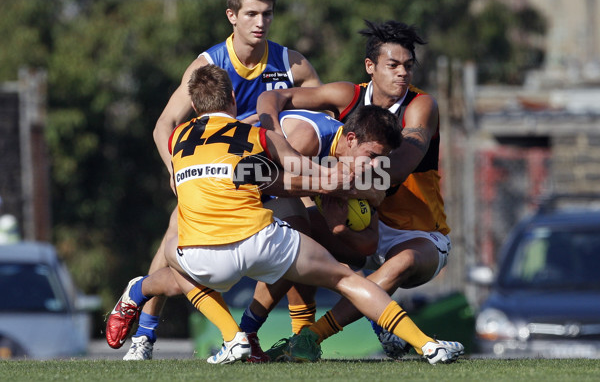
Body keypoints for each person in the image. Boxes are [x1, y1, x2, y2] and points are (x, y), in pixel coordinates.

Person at [107, 64, 464, 365]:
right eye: (371, 157)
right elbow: (278, 171)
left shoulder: (178, 138)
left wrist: (337, 202)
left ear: (197, 107)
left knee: (174, 251)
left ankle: (162, 302)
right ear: (233, 100)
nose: (373, 165)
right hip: (256, 235)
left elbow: (240, 175)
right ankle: (427, 345)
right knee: (338, 272)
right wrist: (329, 184)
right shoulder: (270, 133)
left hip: (203, 250)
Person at [107, 0, 321, 360]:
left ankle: (282, 335)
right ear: (232, 16)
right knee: (173, 239)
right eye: (252, 13)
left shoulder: (293, 64)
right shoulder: (210, 63)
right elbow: (163, 124)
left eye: (267, 14)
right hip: (217, 176)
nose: (261, 22)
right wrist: (175, 170)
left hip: (264, 174)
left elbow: (320, 122)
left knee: (309, 228)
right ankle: (144, 335)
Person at [254, 19, 455, 361]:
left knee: (401, 262)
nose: (402, 73)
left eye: (408, 65)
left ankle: (314, 336)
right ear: (370, 66)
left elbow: (399, 166)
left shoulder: (422, 106)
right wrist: (271, 133)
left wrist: (333, 180)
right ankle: (256, 335)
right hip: (362, 222)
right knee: (296, 235)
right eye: (392, 65)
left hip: (417, 235)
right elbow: (273, 96)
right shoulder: (348, 95)